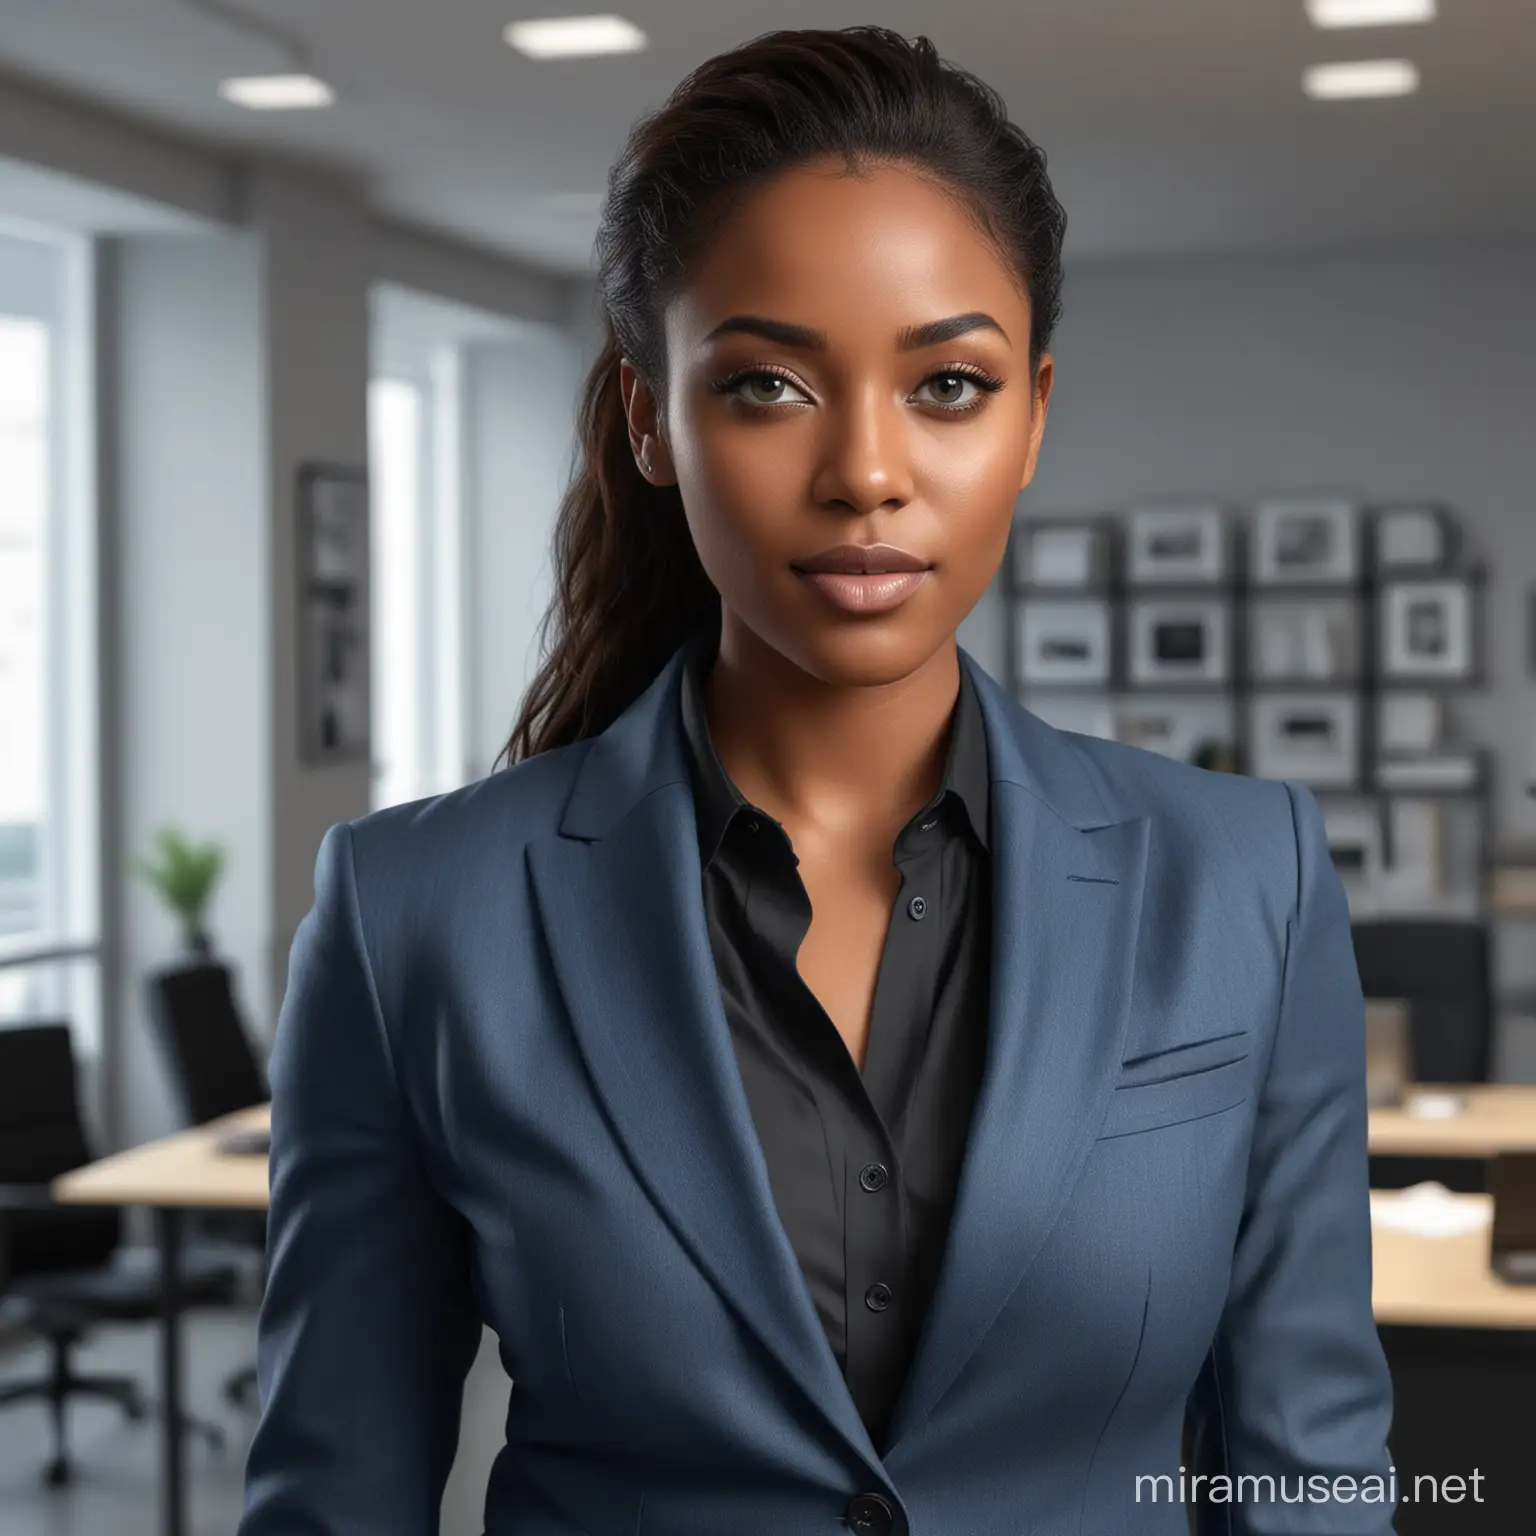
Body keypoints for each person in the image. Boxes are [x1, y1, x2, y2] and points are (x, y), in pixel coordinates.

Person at [239, 25, 1394, 1536]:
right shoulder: (417, 916)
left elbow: (1310, 1478)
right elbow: (337, 1501)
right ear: (652, 417)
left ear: (1035, 412)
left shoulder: (1246, 878)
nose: (866, 470)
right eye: (770, 386)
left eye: (950, 385)